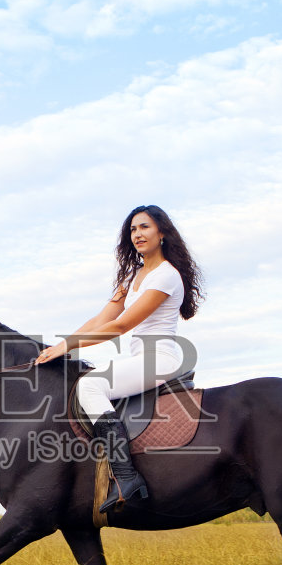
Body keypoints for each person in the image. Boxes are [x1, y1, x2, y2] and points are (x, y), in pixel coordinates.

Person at [35, 205, 204, 513]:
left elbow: (121, 326)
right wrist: (63, 345)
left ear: (162, 233)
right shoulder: (132, 277)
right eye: (133, 230)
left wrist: (68, 348)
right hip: (139, 358)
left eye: (145, 227)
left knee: (90, 387)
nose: (137, 234)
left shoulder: (166, 276)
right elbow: (102, 319)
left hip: (160, 358)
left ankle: (127, 478)